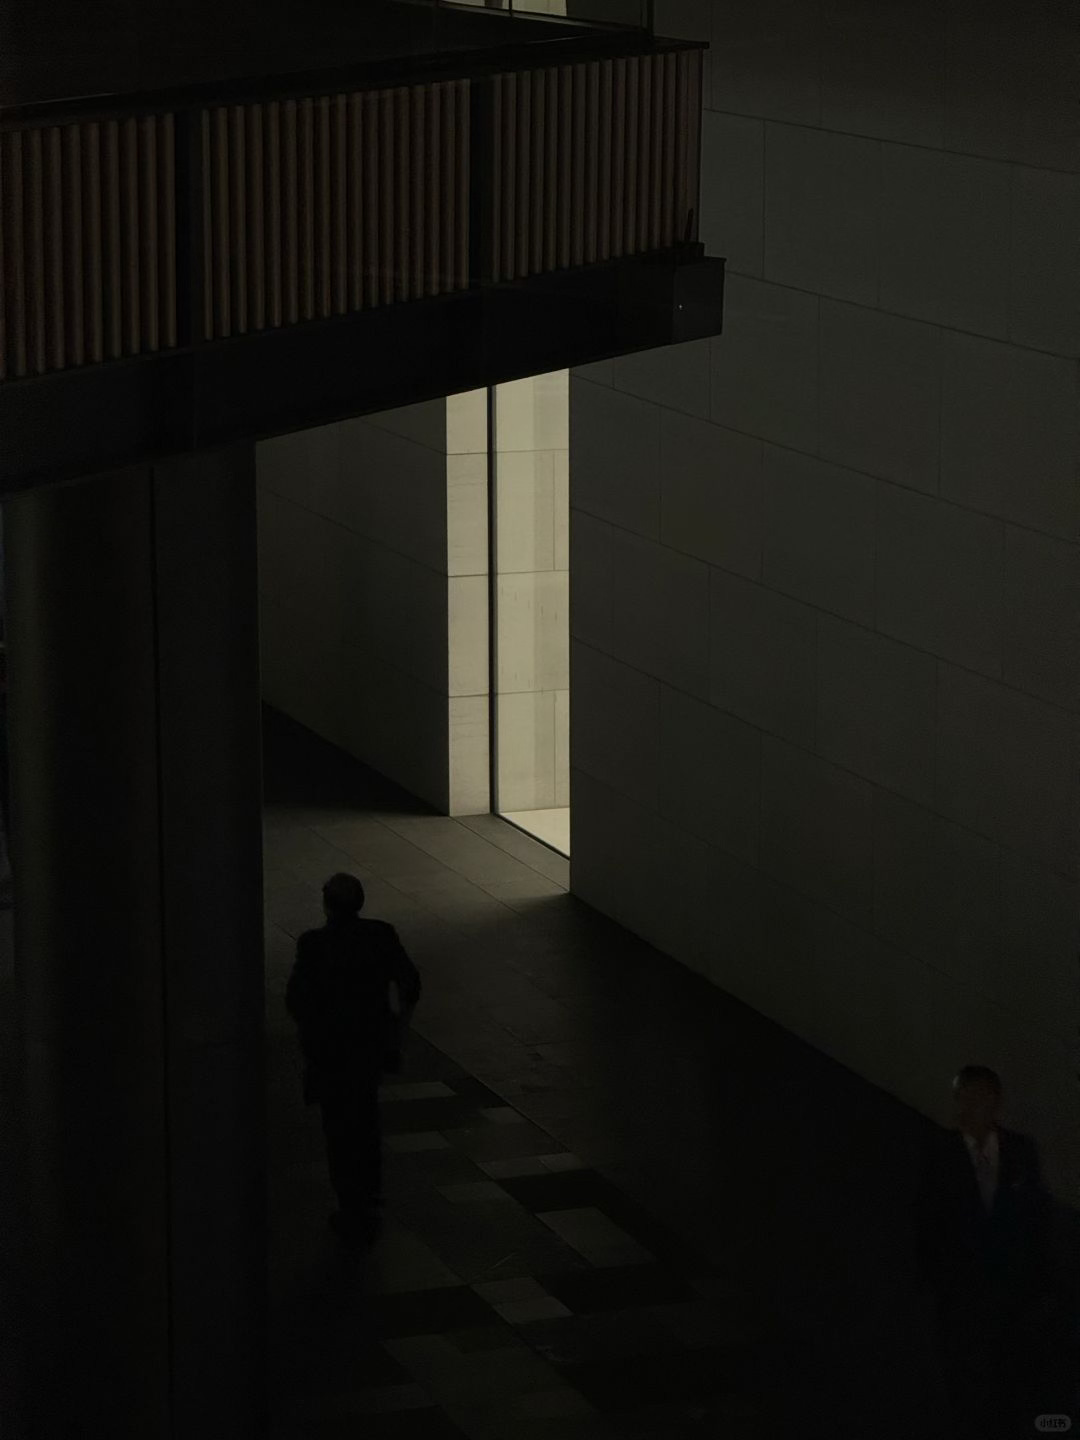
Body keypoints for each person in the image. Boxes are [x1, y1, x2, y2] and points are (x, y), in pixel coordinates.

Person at [915, 1066, 1052, 1439]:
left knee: (1008, 1374)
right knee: (964, 1377)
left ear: (996, 1101)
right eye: (966, 1097)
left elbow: (1036, 1222)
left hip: (1010, 1291)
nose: (974, 1105)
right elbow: (925, 1223)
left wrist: (1038, 1284)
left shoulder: (1021, 1151)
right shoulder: (936, 1153)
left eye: (982, 1096)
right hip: (959, 1291)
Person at [286, 872, 421, 1248]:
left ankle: (349, 1202)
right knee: (366, 1118)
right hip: (369, 1048)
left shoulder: (313, 945)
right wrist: (398, 1029)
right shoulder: (380, 935)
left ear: (327, 904)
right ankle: (369, 1194)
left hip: (331, 1052)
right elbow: (411, 982)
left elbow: (296, 1000)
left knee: (338, 1128)